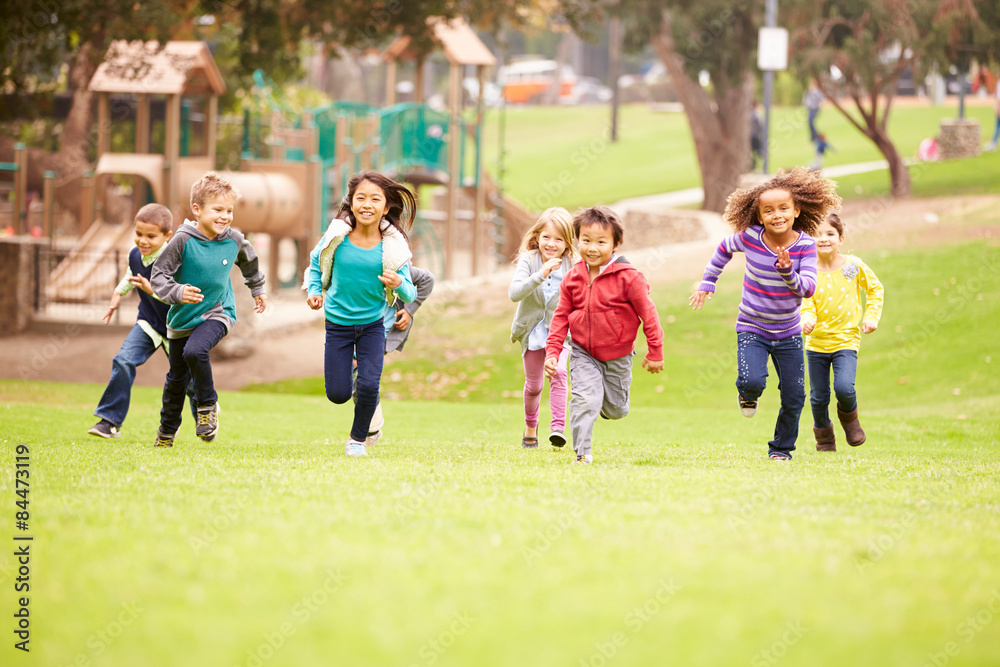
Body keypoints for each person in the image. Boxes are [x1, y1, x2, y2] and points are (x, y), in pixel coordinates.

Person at [689, 167, 840, 460]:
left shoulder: (806, 247)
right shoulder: (750, 238)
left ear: (797, 210)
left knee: (795, 396)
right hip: (752, 327)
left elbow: (808, 288)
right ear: (759, 216)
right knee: (752, 382)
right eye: (768, 210)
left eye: (784, 208)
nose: (777, 215)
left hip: (789, 333)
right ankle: (747, 394)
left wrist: (787, 273)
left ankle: (781, 449)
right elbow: (723, 248)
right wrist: (709, 280)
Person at [150, 172, 267, 447]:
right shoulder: (182, 240)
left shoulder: (234, 239)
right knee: (176, 379)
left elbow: (249, 260)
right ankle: (166, 431)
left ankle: (207, 407)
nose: (225, 216)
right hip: (182, 319)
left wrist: (257, 289)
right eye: (218, 210)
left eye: (229, 210)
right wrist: (178, 292)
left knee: (195, 350)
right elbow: (159, 276)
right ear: (197, 209)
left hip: (218, 312)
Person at [304, 171, 417, 457]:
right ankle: (358, 381)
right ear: (351, 203)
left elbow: (411, 294)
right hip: (338, 325)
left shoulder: (392, 247)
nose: (367, 204)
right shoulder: (336, 237)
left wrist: (399, 284)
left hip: (373, 326)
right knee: (338, 394)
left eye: (375, 199)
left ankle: (357, 440)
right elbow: (316, 264)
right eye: (361, 198)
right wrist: (315, 291)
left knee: (369, 386)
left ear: (386, 206)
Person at [544, 206, 664, 465]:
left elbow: (649, 315)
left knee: (616, 409)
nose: (592, 248)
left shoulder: (630, 279)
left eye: (601, 241)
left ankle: (607, 404)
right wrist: (553, 353)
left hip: (618, 355)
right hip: (582, 352)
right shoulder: (572, 278)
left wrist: (655, 351)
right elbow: (560, 318)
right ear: (577, 241)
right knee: (585, 399)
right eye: (586, 240)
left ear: (616, 244)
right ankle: (582, 454)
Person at [90, 204, 191, 438]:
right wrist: (117, 295)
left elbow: (180, 296)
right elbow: (130, 275)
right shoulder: (136, 255)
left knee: (191, 383)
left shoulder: (173, 260)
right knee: (123, 360)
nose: (142, 241)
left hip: (176, 329)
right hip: (148, 324)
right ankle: (109, 422)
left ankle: (205, 418)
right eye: (139, 234)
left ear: (167, 236)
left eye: (150, 236)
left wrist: (152, 290)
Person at [800, 213, 883, 451]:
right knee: (818, 397)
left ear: (841, 238)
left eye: (829, 234)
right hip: (816, 344)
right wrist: (806, 320)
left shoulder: (853, 266)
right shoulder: (807, 272)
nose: (823, 239)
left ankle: (850, 421)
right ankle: (824, 438)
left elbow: (875, 289)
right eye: (816, 234)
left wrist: (871, 317)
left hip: (846, 341)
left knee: (844, 388)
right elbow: (805, 302)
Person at [509, 207, 578, 449]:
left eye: (559, 239)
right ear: (537, 236)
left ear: (567, 243)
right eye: (547, 237)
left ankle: (557, 429)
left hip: (560, 333)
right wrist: (541, 273)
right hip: (531, 331)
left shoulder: (573, 265)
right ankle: (530, 425)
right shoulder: (529, 260)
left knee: (559, 373)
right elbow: (514, 294)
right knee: (535, 386)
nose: (551, 243)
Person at [358, 262, 435, 447]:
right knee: (352, 382)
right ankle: (372, 426)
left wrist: (409, 311)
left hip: (382, 331)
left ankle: (368, 430)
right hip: (353, 327)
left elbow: (427, 279)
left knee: (362, 376)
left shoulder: (391, 264)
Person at [750, 100, 763, 172]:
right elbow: (760, 125)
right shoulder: (755, 114)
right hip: (754, 136)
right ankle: (754, 166)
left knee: (754, 152)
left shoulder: (750, 113)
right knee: (758, 151)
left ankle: (753, 166)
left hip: (752, 135)